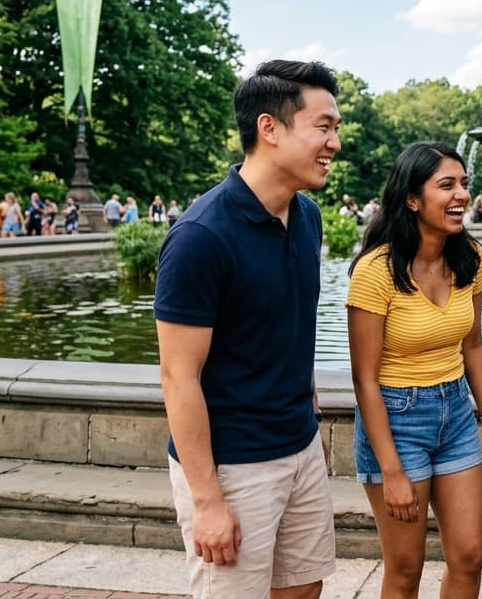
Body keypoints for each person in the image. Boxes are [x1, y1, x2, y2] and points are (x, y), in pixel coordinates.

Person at [154, 59, 342, 598]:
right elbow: (177, 377)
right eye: (323, 126)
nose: (334, 142)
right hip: (232, 468)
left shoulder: (307, 217)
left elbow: (290, 331)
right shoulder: (200, 237)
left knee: (305, 590)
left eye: (335, 128)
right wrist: (208, 500)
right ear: (270, 128)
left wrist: (308, 425)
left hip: (299, 449)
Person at [347, 141, 482, 598]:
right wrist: (391, 471)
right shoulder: (376, 270)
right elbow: (365, 379)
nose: (461, 195)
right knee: (404, 567)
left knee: (470, 556)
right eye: (446, 185)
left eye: (463, 184)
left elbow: (473, 346)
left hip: (454, 412)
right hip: (396, 419)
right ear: (412, 199)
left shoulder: (469, 257)